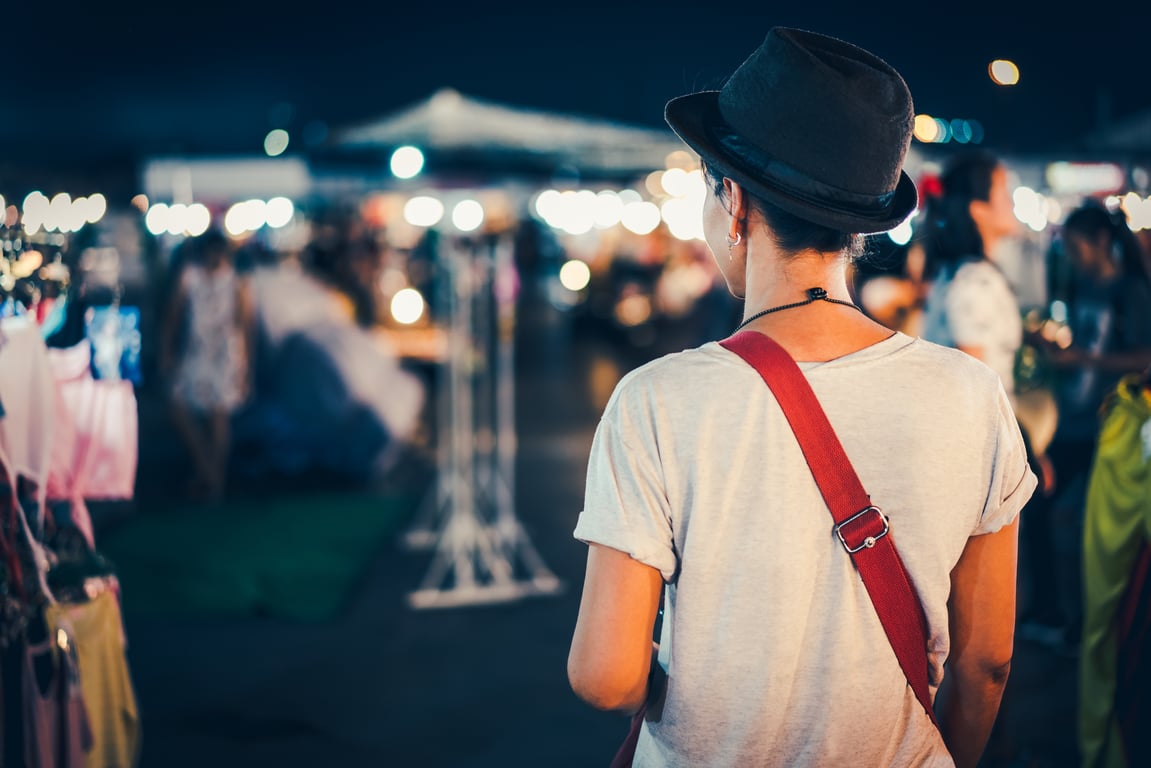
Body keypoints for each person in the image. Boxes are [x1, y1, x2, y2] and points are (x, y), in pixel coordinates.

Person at [567, 27, 1036, 767]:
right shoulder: (970, 393)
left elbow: (605, 678)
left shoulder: (654, 402)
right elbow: (986, 663)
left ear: (733, 202)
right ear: (858, 227)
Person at [160, 228, 254, 501]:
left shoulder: (236, 279)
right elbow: (172, 318)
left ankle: (213, 480)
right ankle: (208, 471)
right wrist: (167, 353)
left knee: (218, 415)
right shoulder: (190, 276)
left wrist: (247, 362)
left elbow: (245, 323)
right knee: (180, 408)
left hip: (226, 352)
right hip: (197, 351)